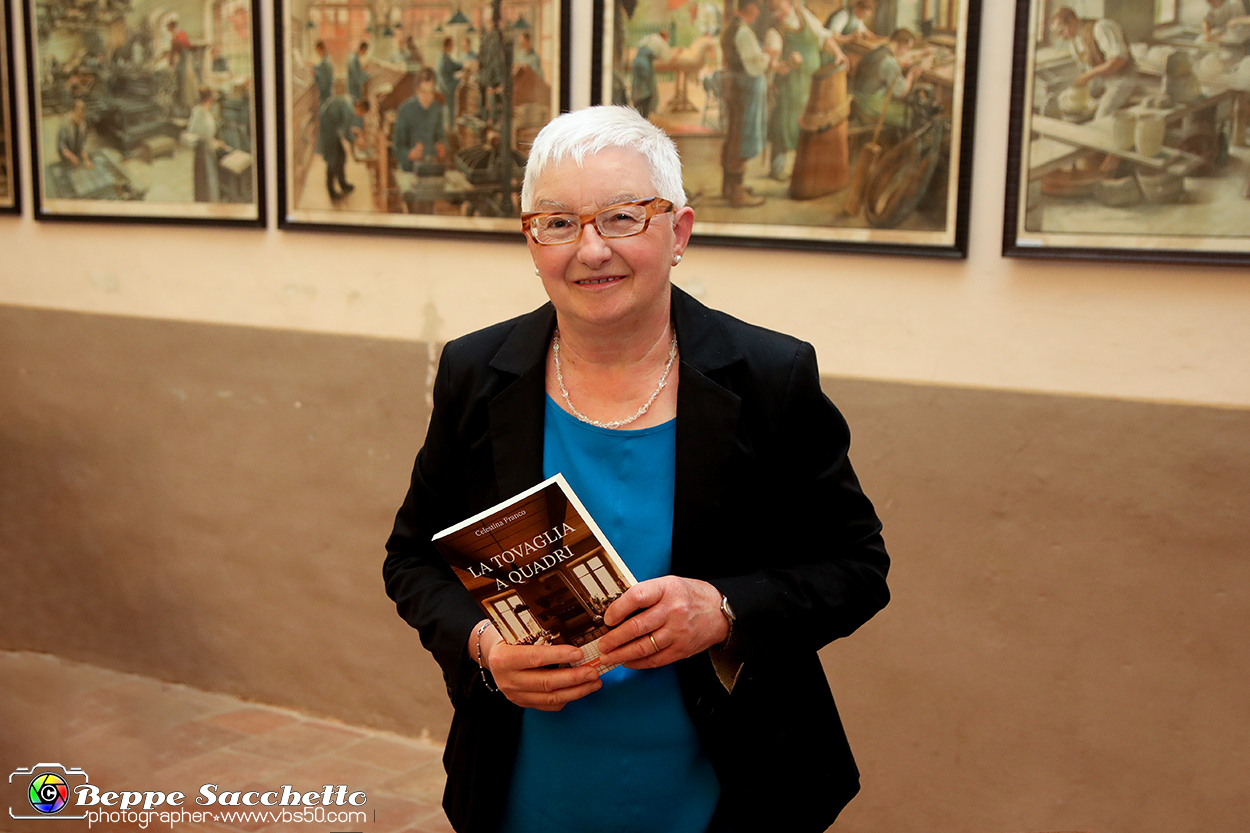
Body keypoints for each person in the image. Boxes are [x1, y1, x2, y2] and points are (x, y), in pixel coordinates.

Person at [383, 104, 890, 833]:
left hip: (729, 788)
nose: (590, 250)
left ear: (678, 232)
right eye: (557, 222)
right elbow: (413, 559)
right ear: (531, 241)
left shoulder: (769, 377)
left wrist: (722, 609)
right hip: (528, 788)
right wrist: (486, 647)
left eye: (622, 216)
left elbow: (856, 566)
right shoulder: (478, 372)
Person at [765, 0, 844, 181]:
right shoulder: (775, 31)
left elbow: (823, 38)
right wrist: (789, 63)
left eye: (779, 8)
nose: (777, 14)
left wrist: (838, 53)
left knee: (809, 124)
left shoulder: (804, 16)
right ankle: (777, 168)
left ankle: (804, 168)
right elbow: (772, 65)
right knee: (785, 125)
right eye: (773, 11)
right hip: (789, 86)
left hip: (812, 83)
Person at [1050, 7, 1139, 120]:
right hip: (1101, 82)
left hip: (1121, 80)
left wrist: (1089, 74)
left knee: (1102, 115)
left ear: (1072, 20)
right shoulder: (1074, 41)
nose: (1062, 37)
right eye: (1058, 34)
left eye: (1062, 31)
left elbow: (1119, 59)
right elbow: (1086, 69)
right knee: (1066, 104)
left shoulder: (1101, 27)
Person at [720, 1, 768, 207]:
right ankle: (737, 193)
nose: (758, 12)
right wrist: (769, 56)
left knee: (735, 135)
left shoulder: (732, 28)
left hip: (737, 88)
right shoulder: (743, 32)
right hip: (745, 90)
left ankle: (729, 186)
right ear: (749, 6)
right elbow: (755, 65)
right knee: (741, 138)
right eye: (756, 6)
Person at [851, 27, 923, 130]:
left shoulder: (877, 51)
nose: (906, 52)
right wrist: (911, 74)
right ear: (900, 43)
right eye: (907, 48)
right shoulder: (889, 63)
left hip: (858, 97)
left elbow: (880, 70)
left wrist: (898, 65)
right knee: (911, 115)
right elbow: (902, 91)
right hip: (870, 104)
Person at [393, 67, 445, 173]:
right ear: (417, 90)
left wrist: (442, 147)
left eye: (431, 92)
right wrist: (409, 154)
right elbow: (397, 149)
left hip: (432, 168)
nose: (427, 97)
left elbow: (441, 136)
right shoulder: (405, 110)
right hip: (410, 169)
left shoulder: (437, 108)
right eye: (423, 92)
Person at [318, 94, 368, 201]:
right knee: (332, 160)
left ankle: (343, 184)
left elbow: (343, 124)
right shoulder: (350, 110)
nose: (359, 116)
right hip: (328, 129)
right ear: (360, 107)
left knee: (342, 156)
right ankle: (331, 192)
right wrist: (357, 142)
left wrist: (353, 130)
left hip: (331, 125)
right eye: (361, 113)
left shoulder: (350, 100)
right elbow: (345, 133)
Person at [186, 86, 221, 202]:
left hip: (199, 150)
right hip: (205, 151)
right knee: (208, 179)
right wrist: (217, 144)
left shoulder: (196, 110)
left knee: (200, 178)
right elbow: (207, 137)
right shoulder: (206, 117)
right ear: (209, 99)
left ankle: (201, 199)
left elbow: (191, 130)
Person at [631, 30, 672, 118]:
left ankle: (638, 111)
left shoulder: (650, 37)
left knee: (638, 87)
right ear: (665, 37)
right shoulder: (661, 42)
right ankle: (648, 113)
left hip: (637, 62)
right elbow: (667, 59)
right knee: (649, 89)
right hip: (646, 64)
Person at [57, 99, 93, 169]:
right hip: (66, 158)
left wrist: (86, 160)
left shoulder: (83, 124)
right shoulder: (65, 123)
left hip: (77, 157)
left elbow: (83, 145)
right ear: (74, 112)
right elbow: (61, 146)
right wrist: (71, 156)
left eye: (82, 117)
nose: (80, 120)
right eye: (79, 117)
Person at [313, 40, 333, 104]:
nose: (318, 53)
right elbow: (321, 69)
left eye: (318, 51)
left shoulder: (326, 61)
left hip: (325, 90)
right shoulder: (325, 59)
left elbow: (323, 76)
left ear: (321, 50)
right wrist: (315, 68)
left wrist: (315, 73)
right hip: (327, 89)